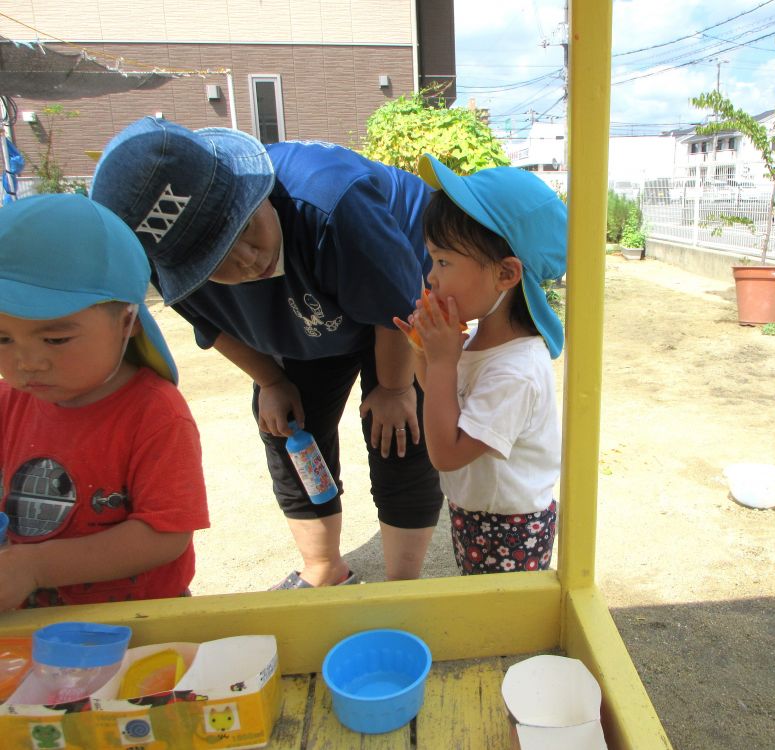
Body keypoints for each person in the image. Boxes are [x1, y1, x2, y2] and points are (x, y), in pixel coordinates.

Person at [90, 117, 443, 589]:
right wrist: (272, 382)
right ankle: (324, 569)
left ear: (254, 191)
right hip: (315, 308)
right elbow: (212, 325)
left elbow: (399, 307)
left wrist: (396, 387)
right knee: (286, 429)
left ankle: (404, 584)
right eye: (214, 261)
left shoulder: (332, 198)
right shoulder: (160, 258)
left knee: (399, 430)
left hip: (396, 298)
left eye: (246, 227)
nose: (247, 259)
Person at [0, 194, 210, 609]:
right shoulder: (9, 401)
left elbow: (165, 534)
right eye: (2, 338)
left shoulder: (155, 413)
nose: (28, 362)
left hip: (137, 626)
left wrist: (35, 568)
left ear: (127, 321)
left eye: (55, 338)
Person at [394, 155, 566, 574]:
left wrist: (441, 360)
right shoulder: (473, 344)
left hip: (511, 527)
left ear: (506, 274)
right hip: (475, 512)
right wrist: (425, 354)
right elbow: (443, 399)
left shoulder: (516, 371)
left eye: (444, 262)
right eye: (432, 260)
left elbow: (446, 453)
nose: (430, 276)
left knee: (502, 626)